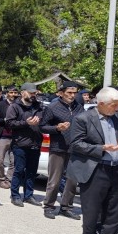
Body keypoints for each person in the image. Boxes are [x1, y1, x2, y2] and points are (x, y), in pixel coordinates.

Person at [68, 87, 118, 234]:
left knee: (114, 210)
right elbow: (75, 144)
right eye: (114, 105)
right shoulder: (83, 118)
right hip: (95, 170)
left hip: (116, 169)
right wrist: (101, 148)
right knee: (92, 210)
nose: (117, 108)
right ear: (101, 103)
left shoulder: (117, 117)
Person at [40, 81, 84, 219]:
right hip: (58, 148)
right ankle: (49, 206)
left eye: (74, 93)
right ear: (61, 93)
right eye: (69, 93)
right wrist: (57, 128)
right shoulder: (52, 107)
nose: (72, 95)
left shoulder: (79, 107)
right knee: (54, 180)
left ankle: (66, 207)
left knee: (72, 181)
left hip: (75, 149)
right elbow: (42, 126)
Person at [5, 82, 44, 207]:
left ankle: (28, 195)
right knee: (19, 170)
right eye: (30, 93)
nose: (33, 95)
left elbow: (44, 121)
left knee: (32, 171)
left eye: (34, 93)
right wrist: (26, 123)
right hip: (20, 144)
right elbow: (9, 123)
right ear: (22, 93)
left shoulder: (39, 106)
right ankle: (15, 195)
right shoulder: (15, 107)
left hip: (35, 143)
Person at [0, 86, 18, 189]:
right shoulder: (0, 105)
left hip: (16, 137)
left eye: (15, 93)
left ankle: (9, 179)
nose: (13, 95)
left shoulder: (20, 105)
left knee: (14, 160)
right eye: (11, 92)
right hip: (3, 136)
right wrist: (4, 120)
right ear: (6, 94)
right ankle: (1, 179)